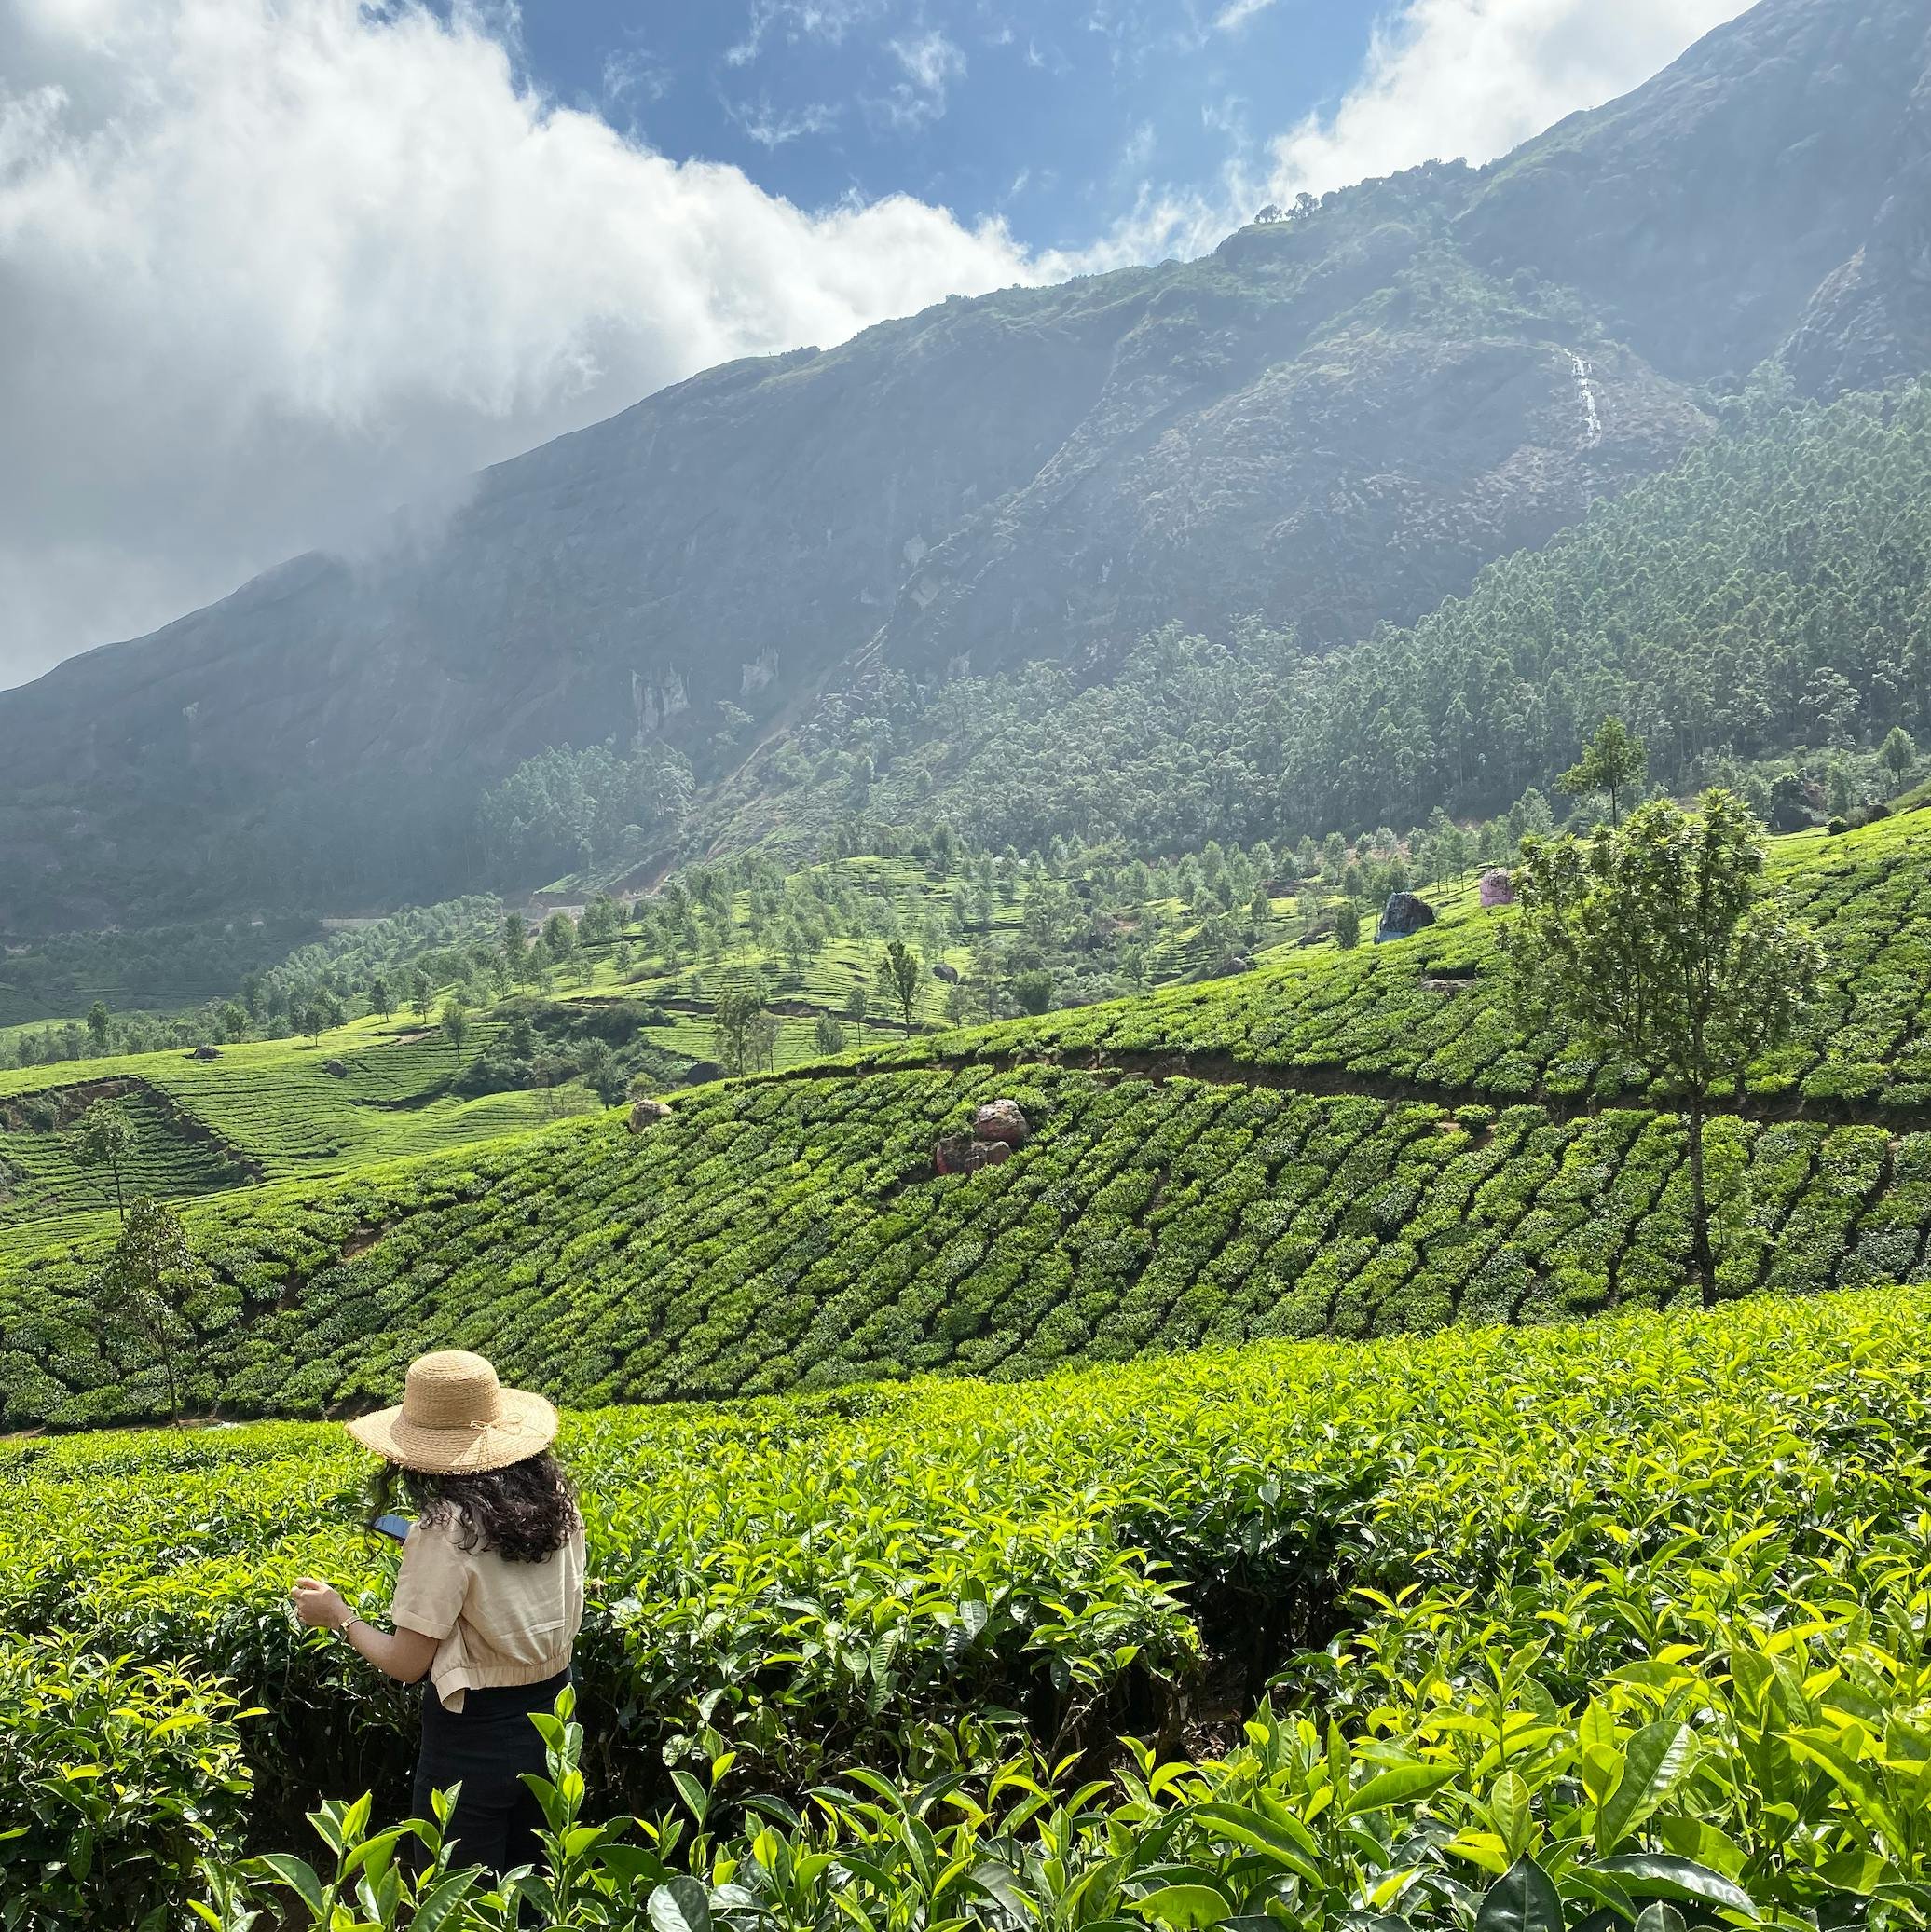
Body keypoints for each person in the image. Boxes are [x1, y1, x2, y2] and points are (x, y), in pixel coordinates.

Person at [290, 1350, 585, 1876]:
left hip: (475, 1738)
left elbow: (407, 1663)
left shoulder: (445, 1528)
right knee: (540, 1891)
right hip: (557, 1718)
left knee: (462, 1900)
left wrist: (340, 1616)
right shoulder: (557, 1500)